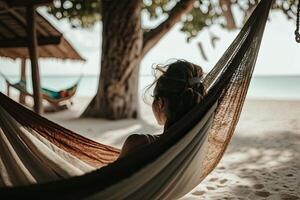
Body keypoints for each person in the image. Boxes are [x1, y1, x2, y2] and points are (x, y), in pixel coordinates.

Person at [118, 60, 206, 158]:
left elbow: (112, 173)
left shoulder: (139, 143)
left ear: (161, 102)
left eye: (153, 97)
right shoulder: (199, 144)